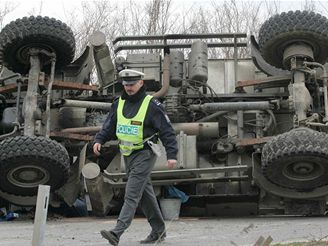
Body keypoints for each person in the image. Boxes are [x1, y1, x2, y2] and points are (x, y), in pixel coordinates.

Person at [93, 68, 178, 245]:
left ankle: (117, 232)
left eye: (132, 84)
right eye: (126, 85)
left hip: (145, 153)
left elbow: (167, 131)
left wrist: (172, 155)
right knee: (146, 194)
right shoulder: (119, 103)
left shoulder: (152, 105)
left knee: (131, 193)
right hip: (127, 154)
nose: (129, 88)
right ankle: (159, 231)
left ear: (141, 83)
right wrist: (99, 139)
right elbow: (109, 125)